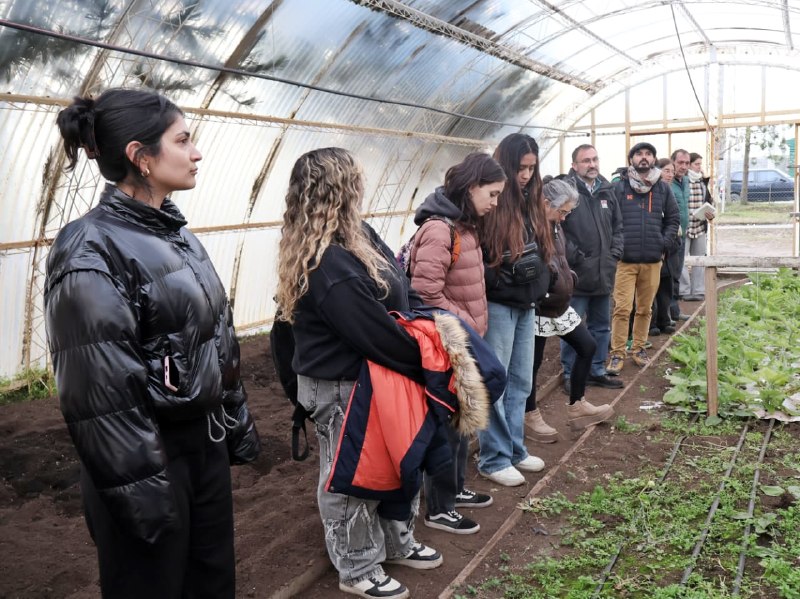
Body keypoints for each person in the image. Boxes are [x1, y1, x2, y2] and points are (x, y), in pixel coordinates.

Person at [44, 89, 261, 599]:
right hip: (148, 459)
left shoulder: (177, 235)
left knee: (211, 585)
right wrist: (144, 495)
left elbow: (216, 336)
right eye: (182, 141)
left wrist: (234, 424)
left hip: (201, 449)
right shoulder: (89, 248)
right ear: (141, 157)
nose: (196, 152)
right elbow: (102, 396)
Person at [275, 147, 442, 599]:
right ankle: (357, 566)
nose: (363, 186)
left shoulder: (357, 234)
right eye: (356, 180)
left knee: (394, 460)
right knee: (349, 475)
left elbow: (398, 285)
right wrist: (425, 359)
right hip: (341, 383)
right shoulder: (326, 260)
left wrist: (419, 331)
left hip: (377, 375)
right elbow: (371, 332)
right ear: (341, 189)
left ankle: (395, 543)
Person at [409, 153, 505, 534]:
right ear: (471, 187)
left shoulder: (464, 226)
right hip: (447, 343)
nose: (495, 202)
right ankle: (439, 508)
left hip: (462, 341)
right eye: (492, 194)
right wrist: (464, 323)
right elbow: (424, 293)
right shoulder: (440, 231)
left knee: (463, 421)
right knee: (447, 426)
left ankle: (456, 488)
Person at [476, 133, 552, 487]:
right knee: (496, 381)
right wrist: (500, 281)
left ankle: (515, 449)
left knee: (521, 379)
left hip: (526, 302)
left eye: (532, 168)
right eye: (520, 168)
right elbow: (478, 256)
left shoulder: (530, 199)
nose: (526, 175)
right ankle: (493, 458)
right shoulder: (492, 203)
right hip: (500, 303)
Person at [524, 179, 614, 442]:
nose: (564, 217)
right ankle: (529, 414)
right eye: (561, 211)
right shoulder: (530, 227)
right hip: (540, 306)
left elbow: (559, 258)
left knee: (587, 346)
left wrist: (568, 276)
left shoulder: (554, 226)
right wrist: (549, 283)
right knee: (533, 363)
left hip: (559, 304)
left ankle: (578, 406)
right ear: (545, 204)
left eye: (567, 212)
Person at [606, 142, 680, 375]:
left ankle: (638, 349)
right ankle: (617, 353)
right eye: (639, 154)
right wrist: (616, 247)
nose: (644, 157)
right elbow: (608, 219)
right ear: (631, 159)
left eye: (648, 154)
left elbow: (673, 218)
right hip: (624, 261)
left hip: (652, 260)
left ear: (654, 159)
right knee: (622, 308)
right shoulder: (619, 187)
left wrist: (663, 243)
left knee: (645, 309)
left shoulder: (662, 188)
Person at [561, 144, 624, 395]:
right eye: (586, 160)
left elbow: (618, 227)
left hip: (603, 272)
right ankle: (570, 373)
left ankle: (596, 370)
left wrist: (614, 254)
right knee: (571, 326)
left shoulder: (606, 190)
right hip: (578, 274)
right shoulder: (567, 191)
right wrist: (577, 258)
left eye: (595, 159)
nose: (592, 164)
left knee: (601, 326)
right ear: (574, 165)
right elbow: (558, 230)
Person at [650, 158, 681, 335]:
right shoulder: (651, 190)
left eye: (672, 172)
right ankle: (651, 323)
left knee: (666, 287)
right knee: (651, 289)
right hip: (655, 246)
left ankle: (664, 320)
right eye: (666, 171)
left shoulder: (669, 192)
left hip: (670, 246)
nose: (670, 175)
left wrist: (669, 242)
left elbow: (673, 218)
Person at [681, 152, 715, 301]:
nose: (699, 167)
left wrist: (710, 213)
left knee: (700, 260)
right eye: (696, 164)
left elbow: (708, 201)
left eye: (700, 164)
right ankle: (684, 291)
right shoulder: (681, 181)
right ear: (689, 165)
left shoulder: (702, 182)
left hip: (700, 227)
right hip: (685, 227)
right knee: (682, 260)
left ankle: (698, 291)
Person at [669, 149, 692, 320]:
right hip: (670, 237)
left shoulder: (686, 181)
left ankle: (674, 311)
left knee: (676, 274)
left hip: (681, 235)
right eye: (680, 163)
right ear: (673, 162)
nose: (683, 166)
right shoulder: (667, 183)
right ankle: (666, 313)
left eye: (687, 163)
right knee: (668, 276)